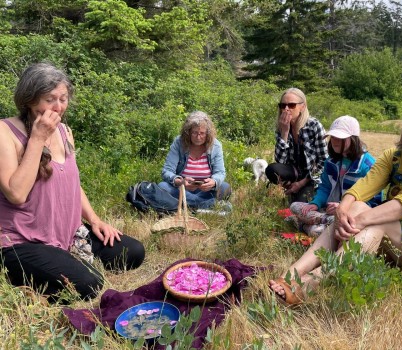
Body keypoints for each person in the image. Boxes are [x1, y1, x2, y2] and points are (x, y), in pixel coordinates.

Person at [270, 98, 402, 305]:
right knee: (355, 207)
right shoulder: (394, 156)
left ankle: (309, 284)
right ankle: (290, 274)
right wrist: (342, 212)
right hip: (397, 235)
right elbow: (363, 187)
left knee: (376, 221)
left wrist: (362, 220)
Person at [0, 63, 145, 302]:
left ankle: (63, 259)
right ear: (29, 99)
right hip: (20, 240)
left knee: (132, 252)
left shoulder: (65, 131)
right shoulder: (5, 131)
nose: (58, 108)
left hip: (66, 233)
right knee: (90, 284)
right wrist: (37, 138)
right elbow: (16, 194)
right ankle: (28, 279)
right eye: (49, 100)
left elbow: (71, 184)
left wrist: (95, 220)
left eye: (63, 99)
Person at [287, 115, 381, 237]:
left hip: (352, 215)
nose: (334, 140)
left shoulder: (368, 165)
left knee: (320, 231)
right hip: (327, 212)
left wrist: (343, 207)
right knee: (295, 205)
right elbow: (325, 187)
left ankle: (304, 224)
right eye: (333, 137)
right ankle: (323, 223)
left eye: (340, 137)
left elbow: (374, 202)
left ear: (353, 139)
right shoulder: (331, 161)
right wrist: (315, 203)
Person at [265, 88, 328, 203]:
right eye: (282, 105)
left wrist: (301, 183)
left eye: (291, 105)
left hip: (311, 176)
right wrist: (284, 132)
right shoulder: (282, 126)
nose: (286, 109)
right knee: (271, 169)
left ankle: (301, 191)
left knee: (300, 204)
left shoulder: (314, 126)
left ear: (302, 107)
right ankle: (291, 188)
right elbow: (280, 161)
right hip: (295, 172)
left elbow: (324, 161)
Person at [158, 111, 231, 210]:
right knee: (162, 187)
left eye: (202, 133)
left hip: (205, 191)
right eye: (194, 133)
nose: (198, 137)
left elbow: (220, 172)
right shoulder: (179, 143)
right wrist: (180, 182)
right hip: (182, 189)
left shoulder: (215, 145)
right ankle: (205, 206)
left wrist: (213, 182)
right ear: (188, 132)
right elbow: (167, 171)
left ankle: (186, 205)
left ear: (208, 133)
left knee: (225, 187)